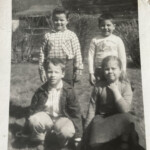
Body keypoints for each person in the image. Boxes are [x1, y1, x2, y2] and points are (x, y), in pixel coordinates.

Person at [18, 58, 83, 150]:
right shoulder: (40, 91)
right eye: (50, 72)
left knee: (66, 131)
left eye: (56, 72)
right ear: (46, 73)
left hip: (62, 118)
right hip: (47, 118)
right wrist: (25, 131)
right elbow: (31, 111)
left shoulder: (69, 91)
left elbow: (76, 113)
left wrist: (78, 137)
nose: (53, 75)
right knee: (34, 119)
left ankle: (64, 145)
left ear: (62, 74)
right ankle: (40, 141)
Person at [84, 56, 138, 150]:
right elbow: (92, 109)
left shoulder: (125, 85)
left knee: (129, 120)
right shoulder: (99, 86)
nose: (110, 71)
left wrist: (115, 91)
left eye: (113, 68)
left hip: (121, 116)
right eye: (107, 69)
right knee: (94, 144)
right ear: (103, 71)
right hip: (103, 118)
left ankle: (123, 141)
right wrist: (87, 129)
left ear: (120, 70)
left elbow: (124, 109)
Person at [39, 7, 83, 86]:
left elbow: (77, 53)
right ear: (52, 20)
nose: (58, 22)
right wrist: (42, 70)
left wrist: (78, 70)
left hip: (67, 66)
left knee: (67, 88)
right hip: (51, 66)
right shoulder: (48, 35)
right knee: (51, 89)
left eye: (61, 20)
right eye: (56, 20)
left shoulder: (71, 35)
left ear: (67, 21)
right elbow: (42, 53)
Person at [88, 13, 126, 85]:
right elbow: (90, 57)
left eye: (108, 25)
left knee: (114, 89)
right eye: (103, 25)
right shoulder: (95, 40)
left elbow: (122, 57)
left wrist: (123, 70)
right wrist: (91, 73)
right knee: (100, 90)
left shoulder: (117, 40)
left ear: (114, 26)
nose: (105, 27)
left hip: (114, 70)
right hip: (99, 70)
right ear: (99, 26)